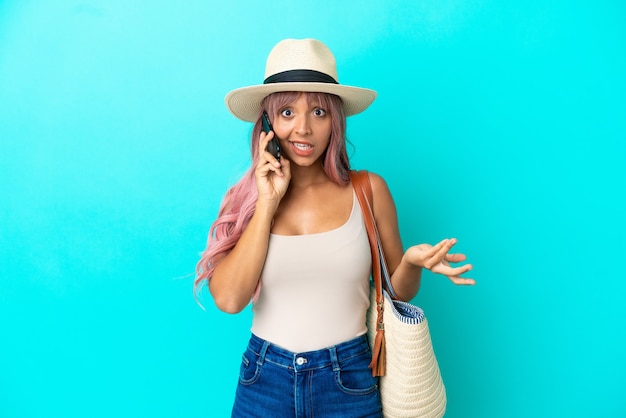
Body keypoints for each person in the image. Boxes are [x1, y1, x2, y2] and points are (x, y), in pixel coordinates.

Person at [195, 38, 475, 418]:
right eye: (288, 112)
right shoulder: (246, 200)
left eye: (319, 112)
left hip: (348, 379)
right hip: (265, 379)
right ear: (267, 124)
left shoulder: (369, 190)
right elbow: (229, 301)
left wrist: (409, 262)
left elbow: (398, 293)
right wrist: (267, 203)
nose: (304, 129)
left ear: (336, 121)